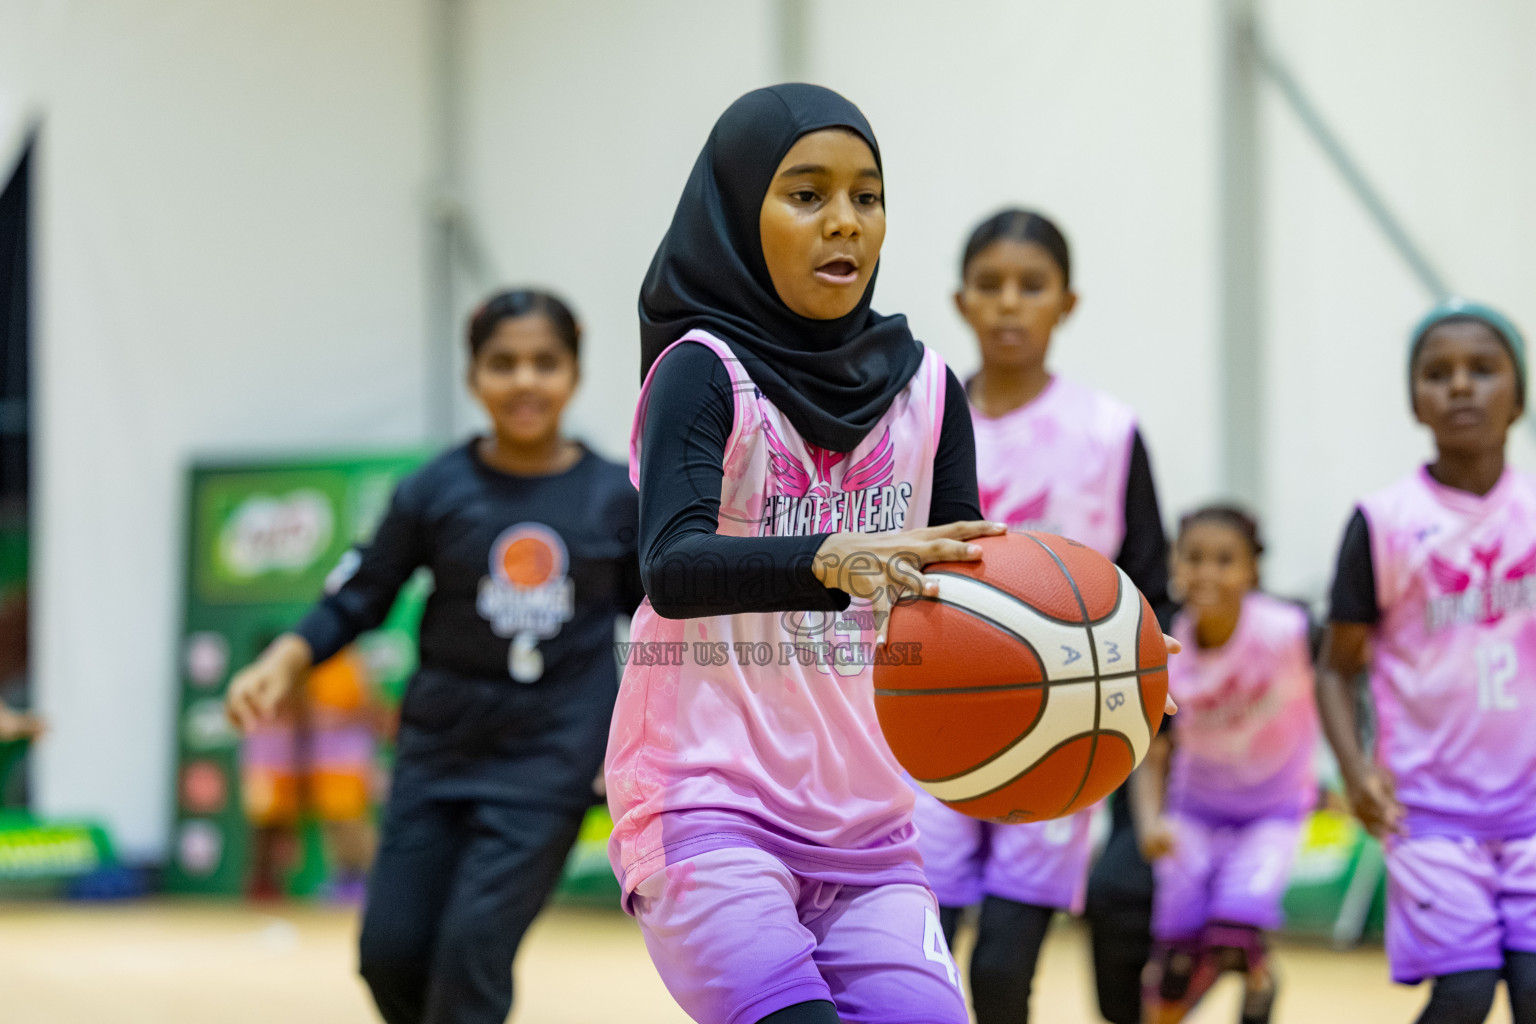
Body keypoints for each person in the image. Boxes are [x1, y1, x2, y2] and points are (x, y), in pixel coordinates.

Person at [606, 82, 1013, 1024]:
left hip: (870, 822)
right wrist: (831, 558)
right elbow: (670, 567)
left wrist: (1093, 659)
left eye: (866, 197)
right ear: (740, 212)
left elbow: (964, 591)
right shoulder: (704, 371)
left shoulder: (931, 389)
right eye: (807, 194)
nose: (844, 223)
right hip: (705, 802)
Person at [226, 288, 642, 1024]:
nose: (524, 381)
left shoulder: (615, 496)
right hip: (438, 749)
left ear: (573, 374)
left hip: (549, 755)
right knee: (390, 954)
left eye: (544, 363)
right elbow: (359, 593)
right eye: (503, 363)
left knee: (470, 955)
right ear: (472, 375)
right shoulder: (434, 489)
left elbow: (659, 627)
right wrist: (286, 658)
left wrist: (643, 746)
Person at [910, 207, 1174, 1024]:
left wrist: (1144, 684)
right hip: (934, 718)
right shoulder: (919, 418)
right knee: (918, 964)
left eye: (1032, 286)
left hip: (1061, 719)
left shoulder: (1109, 432)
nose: (1010, 304)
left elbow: (1149, 578)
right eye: (990, 286)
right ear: (961, 302)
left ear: (1067, 303)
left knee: (1001, 972)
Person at [1318, 298, 1536, 1024]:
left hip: (1532, 805)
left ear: (1519, 393)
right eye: (1438, 373)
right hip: (1431, 810)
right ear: (1415, 400)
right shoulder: (1383, 522)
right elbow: (1334, 666)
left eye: (1484, 369)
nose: (1462, 386)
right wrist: (1355, 773)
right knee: (1467, 994)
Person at [1133, 506, 1317, 1024]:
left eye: (1224, 559)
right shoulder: (1165, 644)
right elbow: (1155, 747)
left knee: (1235, 938)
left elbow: (1344, 683)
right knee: (1173, 961)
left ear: (1251, 571)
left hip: (1272, 812)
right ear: (1175, 564)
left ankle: (1259, 984)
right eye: (1193, 558)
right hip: (1195, 810)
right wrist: (1150, 821)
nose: (1206, 572)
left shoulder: (1292, 630)